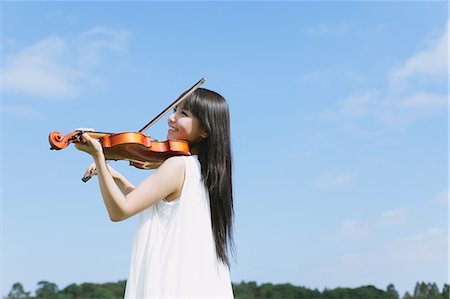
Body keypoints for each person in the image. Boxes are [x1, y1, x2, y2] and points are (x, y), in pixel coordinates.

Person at [74, 88, 235, 298]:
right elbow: (158, 210)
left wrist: (98, 156)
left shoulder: (178, 165)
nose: (171, 118)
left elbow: (119, 211)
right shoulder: (207, 173)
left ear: (205, 130)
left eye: (183, 114)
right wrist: (119, 179)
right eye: (175, 110)